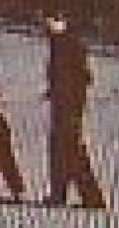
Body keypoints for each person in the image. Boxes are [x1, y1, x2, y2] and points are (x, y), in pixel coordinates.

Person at [42, 14, 106, 208]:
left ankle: (89, 196)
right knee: (62, 148)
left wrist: (69, 96)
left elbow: (82, 76)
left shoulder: (69, 44)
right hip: (64, 103)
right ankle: (61, 193)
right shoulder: (59, 43)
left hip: (68, 105)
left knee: (69, 148)